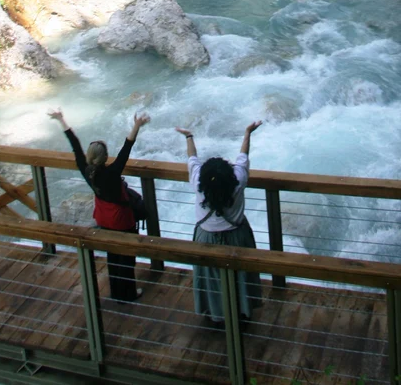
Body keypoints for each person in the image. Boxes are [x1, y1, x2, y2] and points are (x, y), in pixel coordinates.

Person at [48, 107, 150, 303]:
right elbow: (126, 148)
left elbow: (75, 145)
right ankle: (128, 294)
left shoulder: (87, 171)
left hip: (103, 217)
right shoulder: (111, 173)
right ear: (105, 158)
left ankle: (116, 291)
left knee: (112, 255)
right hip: (121, 219)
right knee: (126, 258)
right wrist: (137, 125)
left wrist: (61, 119)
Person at [175, 121, 263, 324]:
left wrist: (189, 137)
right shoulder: (238, 181)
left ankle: (216, 315)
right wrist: (247, 133)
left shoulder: (199, 184)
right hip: (236, 235)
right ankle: (241, 312)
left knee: (211, 278)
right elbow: (242, 158)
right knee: (239, 275)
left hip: (206, 236)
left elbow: (192, 160)